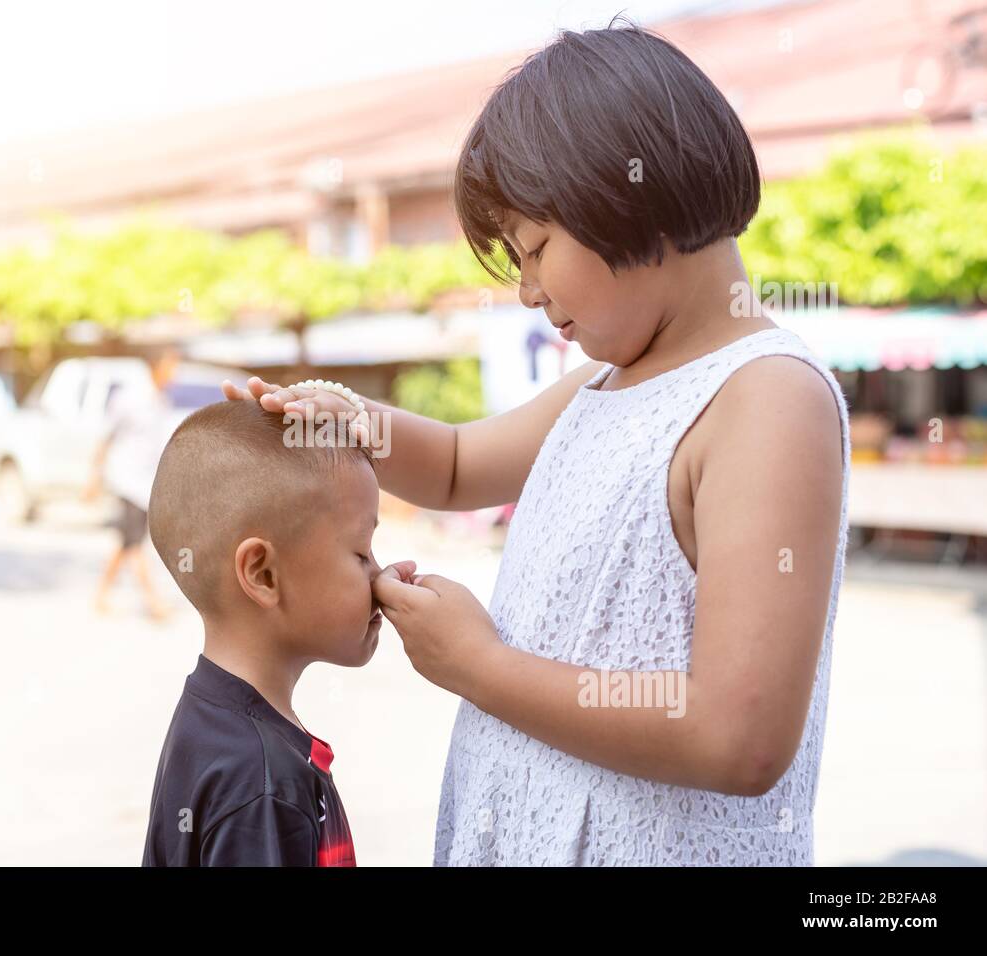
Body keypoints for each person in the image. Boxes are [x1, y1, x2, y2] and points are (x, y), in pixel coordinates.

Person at [224, 21, 850, 865]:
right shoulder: (604, 387)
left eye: (535, 249)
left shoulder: (766, 401)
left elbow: (740, 736)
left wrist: (481, 666)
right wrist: (340, 416)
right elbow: (452, 464)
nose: (524, 290)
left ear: (626, 193)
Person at [140, 400, 410, 866]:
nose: (381, 575)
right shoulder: (264, 784)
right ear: (263, 574)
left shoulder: (208, 719)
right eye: (362, 552)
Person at [85, 350, 180, 621]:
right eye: (171, 367)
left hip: (144, 483)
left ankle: (101, 594)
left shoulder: (160, 400)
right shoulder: (130, 398)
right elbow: (105, 436)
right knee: (136, 543)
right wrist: (94, 476)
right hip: (127, 481)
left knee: (126, 542)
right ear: (156, 367)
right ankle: (154, 602)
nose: (174, 375)